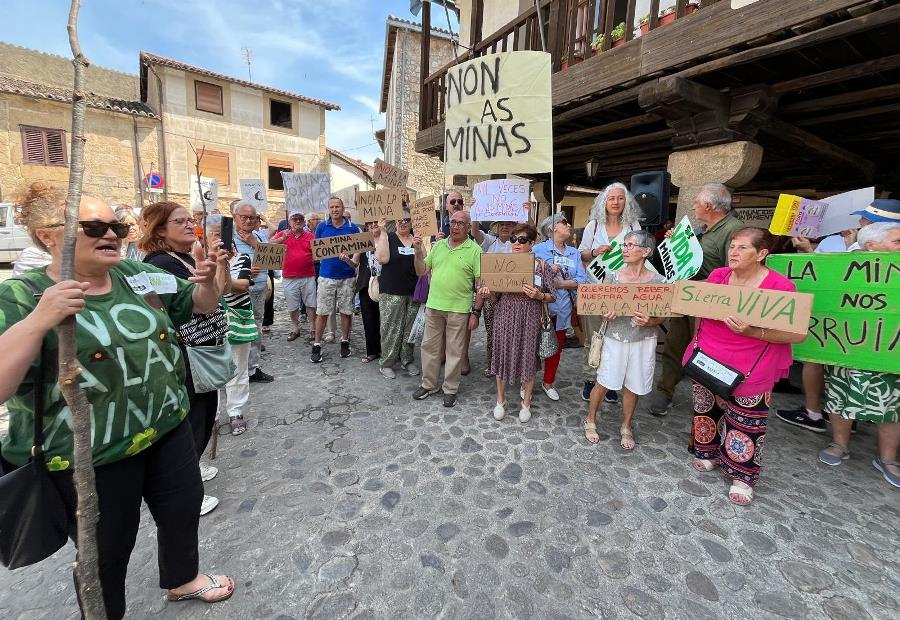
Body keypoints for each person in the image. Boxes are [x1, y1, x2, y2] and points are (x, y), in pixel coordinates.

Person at [0, 184, 234, 618]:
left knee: (182, 509)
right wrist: (39, 321)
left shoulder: (135, 275)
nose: (112, 234)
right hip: (90, 455)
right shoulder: (21, 296)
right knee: (107, 548)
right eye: (94, 227)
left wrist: (208, 283)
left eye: (118, 226)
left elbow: (195, 306)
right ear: (47, 235)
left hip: (167, 426)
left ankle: (183, 579)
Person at [688, 227, 807, 505]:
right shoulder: (718, 277)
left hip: (752, 364)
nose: (733, 252)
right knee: (707, 407)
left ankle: (742, 474)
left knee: (746, 419)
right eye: (732, 246)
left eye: (742, 248)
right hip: (710, 358)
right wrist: (697, 341)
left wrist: (752, 332)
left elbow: (797, 334)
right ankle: (708, 453)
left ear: (762, 253)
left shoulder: (780, 288)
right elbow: (699, 310)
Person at [141, 201, 230, 516]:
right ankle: (188, 489)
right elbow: (190, 306)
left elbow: (217, 292)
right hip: (185, 351)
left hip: (203, 346)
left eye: (190, 219)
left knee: (205, 413)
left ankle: (193, 468)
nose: (190, 224)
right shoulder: (161, 264)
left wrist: (220, 264)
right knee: (192, 418)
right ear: (160, 229)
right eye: (180, 221)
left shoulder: (184, 257)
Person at [649, 183, 745, 416]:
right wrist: (675, 243)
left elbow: (734, 273)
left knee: (708, 353)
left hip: (711, 303)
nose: (693, 207)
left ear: (709, 206)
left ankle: (712, 403)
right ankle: (665, 391)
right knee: (675, 343)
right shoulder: (704, 229)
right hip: (687, 297)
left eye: (697, 202)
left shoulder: (733, 230)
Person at [817, 222, 900, 487]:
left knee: (893, 406)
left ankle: (888, 458)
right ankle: (839, 444)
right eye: (896, 242)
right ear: (872, 246)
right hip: (848, 348)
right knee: (841, 396)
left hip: (890, 353)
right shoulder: (841, 268)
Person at [583, 231, 666, 449]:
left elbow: (663, 315)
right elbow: (601, 307)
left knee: (634, 385)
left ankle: (626, 426)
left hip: (643, 339)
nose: (625, 249)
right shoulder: (613, 275)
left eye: (631, 245)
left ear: (646, 252)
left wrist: (651, 321)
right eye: (624, 245)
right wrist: (606, 313)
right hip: (615, 337)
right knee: (604, 380)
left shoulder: (658, 281)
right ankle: (591, 419)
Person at [475, 223, 556, 423]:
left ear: (532, 243)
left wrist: (539, 295)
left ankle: (526, 403)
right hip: (505, 313)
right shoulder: (501, 262)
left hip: (530, 316)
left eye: (522, 240)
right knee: (502, 354)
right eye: (513, 239)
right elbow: (495, 298)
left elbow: (552, 296)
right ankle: (500, 400)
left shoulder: (542, 266)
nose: (516, 244)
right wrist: (488, 292)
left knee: (528, 356)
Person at [578, 182, 643, 404]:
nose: (616, 202)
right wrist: (595, 251)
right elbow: (581, 255)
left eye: (620, 198)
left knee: (614, 338)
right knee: (594, 337)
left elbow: (642, 255)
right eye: (611, 198)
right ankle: (591, 379)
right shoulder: (593, 226)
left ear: (627, 202)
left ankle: (609, 381)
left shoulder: (634, 226)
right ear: (604, 202)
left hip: (622, 291)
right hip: (595, 289)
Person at [413, 209, 482, 408]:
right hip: (434, 306)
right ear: (448, 224)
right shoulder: (438, 246)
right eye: (453, 222)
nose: (456, 226)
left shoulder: (475, 250)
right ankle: (429, 385)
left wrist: (476, 312)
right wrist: (418, 251)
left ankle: (450, 389)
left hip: (459, 309)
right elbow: (422, 270)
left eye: (461, 223)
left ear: (469, 227)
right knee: (429, 347)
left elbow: (480, 284)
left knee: (454, 351)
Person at [205, 214, 256, 436]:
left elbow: (239, 286)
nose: (220, 239)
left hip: (238, 319)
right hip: (212, 321)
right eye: (215, 234)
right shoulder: (202, 261)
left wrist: (223, 267)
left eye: (222, 234)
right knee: (213, 368)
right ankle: (212, 413)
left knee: (237, 367)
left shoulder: (242, 258)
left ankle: (236, 410)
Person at [533, 213, 587, 400]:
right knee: (533, 345)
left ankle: (548, 382)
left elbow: (581, 279)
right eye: (564, 222)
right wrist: (547, 271)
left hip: (563, 307)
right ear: (553, 228)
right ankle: (528, 381)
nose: (569, 225)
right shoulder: (538, 249)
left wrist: (560, 284)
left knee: (556, 346)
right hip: (540, 307)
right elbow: (530, 272)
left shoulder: (574, 253)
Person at [310, 197, 360, 363]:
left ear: (342, 208)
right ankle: (317, 344)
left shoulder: (354, 229)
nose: (334, 209)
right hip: (326, 276)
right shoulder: (322, 227)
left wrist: (348, 259)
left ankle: (345, 341)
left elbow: (356, 260)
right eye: (331, 207)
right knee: (322, 311)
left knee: (346, 311)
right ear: (328, 209)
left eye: (337, 206)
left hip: (347, 277)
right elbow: (317, 251)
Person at [374, 211, 421, 378]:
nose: (403, 222)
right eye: (400, 219)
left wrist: (418, 249)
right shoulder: (388, 237)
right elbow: (382, 259)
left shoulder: (416, 239)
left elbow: (421, 267)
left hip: (412, 292)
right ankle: (386, 363)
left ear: (412, 222)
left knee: (409, 329)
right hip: (391, 291)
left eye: (407, 220)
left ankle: (407, 359)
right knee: (391, 328)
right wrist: (383, 231)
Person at [232, 202, 274, 383]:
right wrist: (245, 272)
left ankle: (252, 369)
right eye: (244, 217)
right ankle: (235, 372)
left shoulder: (259, 236)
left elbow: (272, 260)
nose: (249, 221)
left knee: (256, 330)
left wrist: (254, 243)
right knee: (236, 331)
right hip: (235, 295)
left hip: (257, 291)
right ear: (235, 217)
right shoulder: (227, 238)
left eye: (252, 218)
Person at [471, 219, 514, 377]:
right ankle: (491, 364)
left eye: (509, 224)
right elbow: (475, 232)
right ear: (496, 227)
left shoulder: (516, 244)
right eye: (502, 224)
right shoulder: (489, 241)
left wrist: (528, 211)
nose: (505, 227)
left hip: (510, 296)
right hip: (490, 295)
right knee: (492, 331)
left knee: (509, 332)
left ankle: (508, 363)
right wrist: (476, 211)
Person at [271, 212, 316, 342]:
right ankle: (295, 328)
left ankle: (313, 328)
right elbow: (268, 246)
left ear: (304, 221)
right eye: (295, 219)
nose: (297, 221)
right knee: (292, 305)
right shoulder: (283, 234)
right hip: (289, 276)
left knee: (311, 303)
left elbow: (318, 253)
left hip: (308, 275)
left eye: (300, 219)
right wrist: (281, 239)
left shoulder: (310, 236)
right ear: (290, 221)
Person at [355, 220, 382, 363]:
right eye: (370, 223)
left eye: (375, 223)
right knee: (369, 319)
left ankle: (385, 349)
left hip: (385, 284)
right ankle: (372, 351)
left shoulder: (387, 238)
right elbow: (355, 262)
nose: (373, 225)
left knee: (384, 319)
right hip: (366, 284)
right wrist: (346, 259)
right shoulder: (363, 240)